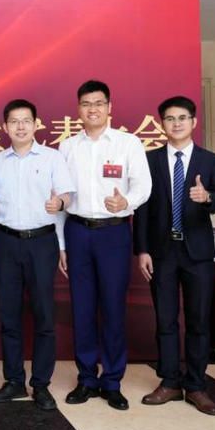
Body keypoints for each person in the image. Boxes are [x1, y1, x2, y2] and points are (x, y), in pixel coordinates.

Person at [59, 79, 151, 410]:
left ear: (110, 107)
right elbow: (61, 196)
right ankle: (86, 378)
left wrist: (126, 202)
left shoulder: (128, 143)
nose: (93, 109)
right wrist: (61, 245)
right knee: (82, 308)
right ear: (78, 109)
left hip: (114, 234)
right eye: (86, 104)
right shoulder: (67, 147)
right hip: (77, 231)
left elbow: (143, 186)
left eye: (99, 103)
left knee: (113, 307)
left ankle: (112, 381)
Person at [133, 96, 215, 416]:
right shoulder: (149, 160)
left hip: (198, 252)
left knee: (199, 320)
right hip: (162, 252)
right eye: (170, 118)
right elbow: (142, 208)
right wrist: (142, 249)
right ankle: (170, 381)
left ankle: (197, 385)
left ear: (193, 122)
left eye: (182, 118)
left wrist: (207, 197)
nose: (176, 124)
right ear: (162, 123)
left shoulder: (210, 161)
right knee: (165, 319)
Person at [0, 99, 74, 411]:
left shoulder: (52, 158)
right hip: (7, 243)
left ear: (36, 124)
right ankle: (14, 381)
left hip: (42, 242)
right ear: (5, 126)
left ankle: (41, 384)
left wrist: (59, 204)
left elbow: (66, 195)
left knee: (44, 315)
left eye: (26, 120)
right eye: (14, 121)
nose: (20, 126)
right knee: (8, 315)